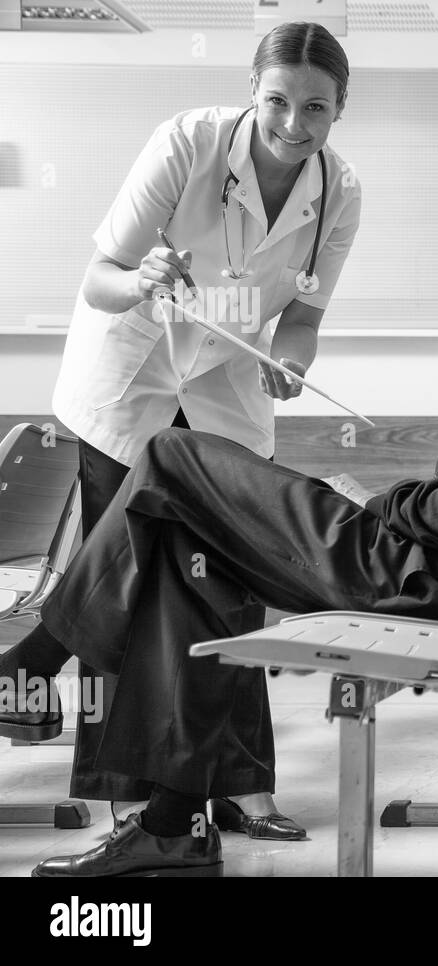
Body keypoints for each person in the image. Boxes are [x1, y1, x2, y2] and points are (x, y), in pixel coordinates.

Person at [0, 111, 438, 877]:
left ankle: (38, 660)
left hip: (419, 576)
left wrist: (376, 504)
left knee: (171, 457)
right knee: (185, 535)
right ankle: (167, 821)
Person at [43, 20, 362, 840]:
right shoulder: (185, 144)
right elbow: (99, 281)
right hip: (134, 378)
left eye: (316, 109)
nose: (294, 125)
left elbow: (304, 318)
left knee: (227, 586)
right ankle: (129, 801)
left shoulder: (341, 193)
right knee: (132, 588)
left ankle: (240, 787)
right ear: (253, 92)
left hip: (223, 387)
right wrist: (142, 276)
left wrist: (289, 361)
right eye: (278, 102)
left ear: (339, 110)